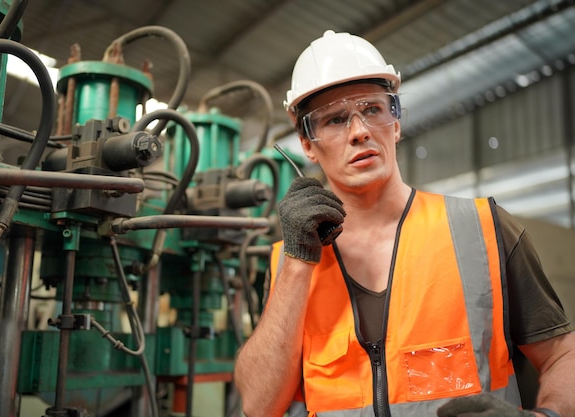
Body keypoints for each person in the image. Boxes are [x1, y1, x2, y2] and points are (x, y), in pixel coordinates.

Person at [234, 30, 575, 417]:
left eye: (374, 110)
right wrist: (297, 263)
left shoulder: (482, 229)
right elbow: (258, 405)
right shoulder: (288, 262)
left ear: (396, 123)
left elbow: (563, 354)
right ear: (308, 145)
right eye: (335, 119)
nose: (360, 130)